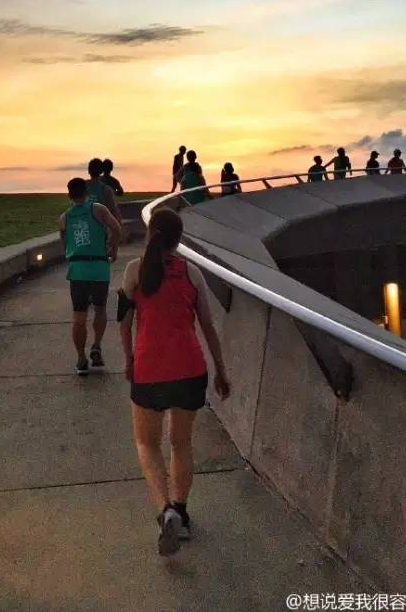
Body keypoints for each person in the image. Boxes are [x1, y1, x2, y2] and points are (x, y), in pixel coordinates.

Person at [118, 207, 230, 556]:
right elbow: (208, 326)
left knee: (146, 443)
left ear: (150, 233)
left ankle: (165, 509)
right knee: (181, 443)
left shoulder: (133, 271)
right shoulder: (192, 273)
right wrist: (222, 370)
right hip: (190, 369)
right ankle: (181, 510)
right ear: (179, 240)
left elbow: (123, 322)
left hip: (149, 370)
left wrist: (128, 359)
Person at [60, 178, 121, 375]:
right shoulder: (98, 209)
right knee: (100, 309)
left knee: (79, 316)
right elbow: (116, 228)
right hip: (99, 268)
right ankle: (96, 346)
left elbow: (65, 244)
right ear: (86, 192)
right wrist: (113, 248)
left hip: (77, 270)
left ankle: (81, 359)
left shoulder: (64, 218)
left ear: (69, 194)